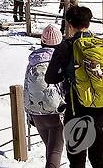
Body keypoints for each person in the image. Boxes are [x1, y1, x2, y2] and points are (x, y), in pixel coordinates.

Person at [45, 6, 103, 168]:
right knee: (99, 159)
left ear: (69, 24)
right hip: (101, 108)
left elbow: (49, 77)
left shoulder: (66, 46)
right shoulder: (101, 45)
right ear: (88, 22)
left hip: (76, 108)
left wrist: (65, 73)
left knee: (77, 161)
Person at [24, 25, 65, 168]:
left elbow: (27, 85)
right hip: (54, 112)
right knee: (55, 151)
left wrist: (28, 111)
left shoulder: (33, 60)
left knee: (50, 148)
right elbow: (63, 85)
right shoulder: (58, 60)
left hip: (35, 113)